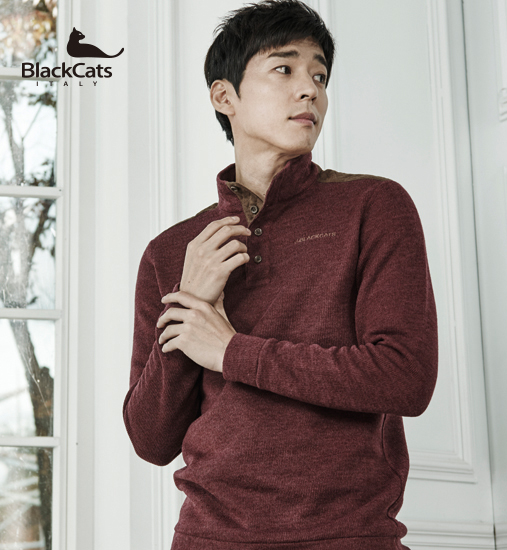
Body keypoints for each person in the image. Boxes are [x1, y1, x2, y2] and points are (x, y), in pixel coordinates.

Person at [123, 1, 438, 548]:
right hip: (207, 538)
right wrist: (188, 300)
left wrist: (231, 351)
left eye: (320, 75)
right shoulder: (171, 252)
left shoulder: (373, 206)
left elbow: (404, 376)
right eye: (284, 69)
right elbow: (152, 440)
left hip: (348, 536)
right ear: (225, 96)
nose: (309, 90)